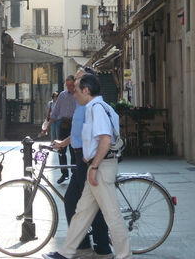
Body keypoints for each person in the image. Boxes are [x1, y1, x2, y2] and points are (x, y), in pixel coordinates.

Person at [42, 74, 132, 259]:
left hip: (102, 167)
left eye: (76, 91)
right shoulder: (100, 107)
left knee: (111, 213)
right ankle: (67, 251)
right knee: (82, 211)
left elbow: (105, 140)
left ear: (86, 90)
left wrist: (94, 166)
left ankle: (124, 255)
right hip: (98, 165)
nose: (74, 95)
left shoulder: (96, 109)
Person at [52, 67, 112, 259]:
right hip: (80, 157)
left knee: (81, 202)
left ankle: (97, 247)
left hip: (86, 159)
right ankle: (91, 246)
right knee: (85, 202)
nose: (75, 83)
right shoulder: (80, 102)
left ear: (87, 84)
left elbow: (101, 135)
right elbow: (78, 132)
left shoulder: (90, 105)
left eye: (78, 79)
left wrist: (93, 164)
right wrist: (63, 143)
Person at [42, 76, 77, 184]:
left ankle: (74, 173)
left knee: (73, 151)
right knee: (61, 150)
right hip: (63, 125)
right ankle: (64, 173)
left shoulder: (78, 95)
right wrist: (47, 126)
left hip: (74, 125)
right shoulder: (62, 95)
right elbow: (55, 113)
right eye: (68, 85)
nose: (70, 87)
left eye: (72, 85)